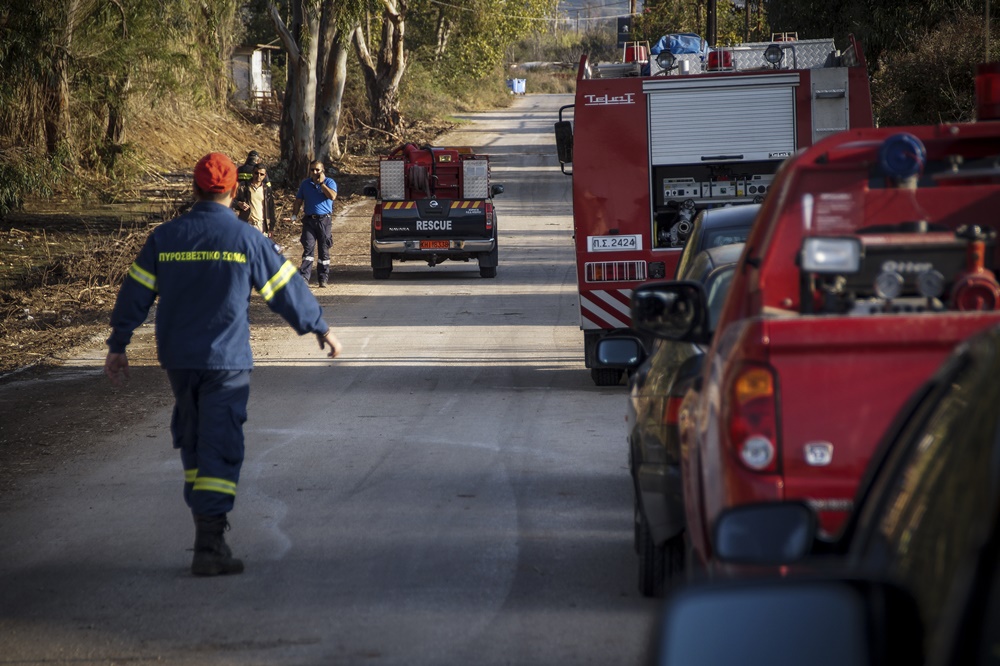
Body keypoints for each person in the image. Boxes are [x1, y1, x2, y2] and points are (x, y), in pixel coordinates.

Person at [103, 152, 343, 577]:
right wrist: (319, 327)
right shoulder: (246, 239)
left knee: (195, 439)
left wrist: (119, 343)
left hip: (178, 359)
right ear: (234, 191)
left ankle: (206, 531)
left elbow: (135, 292)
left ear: (195, 190)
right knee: (220, 443)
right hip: (226, 362)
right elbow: (285, 288)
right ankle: (210, 545)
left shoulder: (166, 237)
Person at [290, 161, 338, 288]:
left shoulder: (330, 182)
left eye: (317, 170)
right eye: (312, 170)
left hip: (324, 221)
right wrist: (294, 215)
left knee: (324, 250)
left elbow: (332, 196)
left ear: (323, 170)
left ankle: (323, 278)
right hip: (309, 220)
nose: (315, 173)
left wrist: (321, 184)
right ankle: (304, 277)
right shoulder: (305, 184)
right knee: (308, 247)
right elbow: (299, 200)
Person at [232, 163, 277, 236]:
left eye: (261, 174)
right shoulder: (243, 187)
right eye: (256, 173)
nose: (258, 176)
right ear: (252, 173)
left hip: (262, 226)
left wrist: (271, 228)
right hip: (247, 225)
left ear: (265, 176)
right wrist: (238, 204)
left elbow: (271, 209)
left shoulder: (266, 190)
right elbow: (230, 200)